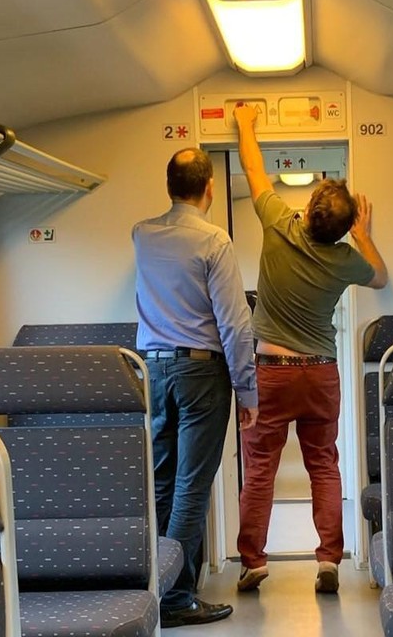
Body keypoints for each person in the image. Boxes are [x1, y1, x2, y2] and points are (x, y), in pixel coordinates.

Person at [232, 103, 388, 594]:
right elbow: (381, 276)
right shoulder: (345, 261)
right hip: (320, 372)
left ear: (309, 206)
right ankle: (328, 561)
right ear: (342, 228)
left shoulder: (278, 223)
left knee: (260, 469)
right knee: (324, 463)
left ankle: (254, 562)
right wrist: (363, 235)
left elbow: (255, 168)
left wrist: (245, 123)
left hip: (271, 371)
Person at [133, 147, 258, 627]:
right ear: (210, 188)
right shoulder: (214, 241)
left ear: (169, 187)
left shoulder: (142, 234)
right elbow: (235, 325)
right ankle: (177, 597)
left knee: (163, 482)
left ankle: (158, 587)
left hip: (152, 369)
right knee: (192, 485)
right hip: (201, 373)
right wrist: (247, 391)